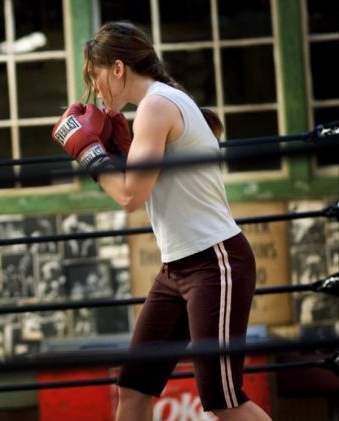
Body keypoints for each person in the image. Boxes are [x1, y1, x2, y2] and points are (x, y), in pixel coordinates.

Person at [52, 21, 271, 421]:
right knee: (133, 388)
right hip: (176, 270)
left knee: (223, 398)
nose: (94, 89)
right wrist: (117, 151)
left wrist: (88, 153)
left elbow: (130, 195)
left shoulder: (156, 105)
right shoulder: (155, 107)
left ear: (117, 69)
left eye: (94, 76)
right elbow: (145, 184)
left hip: (215, 262)